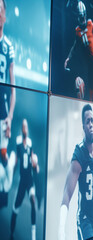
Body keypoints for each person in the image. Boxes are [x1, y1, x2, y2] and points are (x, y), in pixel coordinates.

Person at [58, 104, 93, 240]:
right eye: (87, 121)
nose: (91, 124)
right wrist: (61, 230)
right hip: (84, 219)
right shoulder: (79, 154)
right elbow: (67, 192)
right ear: (83, 126)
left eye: (92, 120)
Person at [10, 119, 39, 240]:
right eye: (23, 127)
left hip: (30, 179)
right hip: (22, 180)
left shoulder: (30, 143)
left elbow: (32, 158)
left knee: (33, 201)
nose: (25, 129)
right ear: (21, 129)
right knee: (16, 208)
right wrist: (11, 172)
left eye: (26, 127)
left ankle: (33, 236)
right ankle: (11, 233)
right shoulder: (18, 142)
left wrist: (36, 165)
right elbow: (16, 159)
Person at [0, 0, 16, 206]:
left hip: (2, 112)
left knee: (3, 156)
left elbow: (14, 89)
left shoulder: (8, 46)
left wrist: (10, 117)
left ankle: (10, 166)